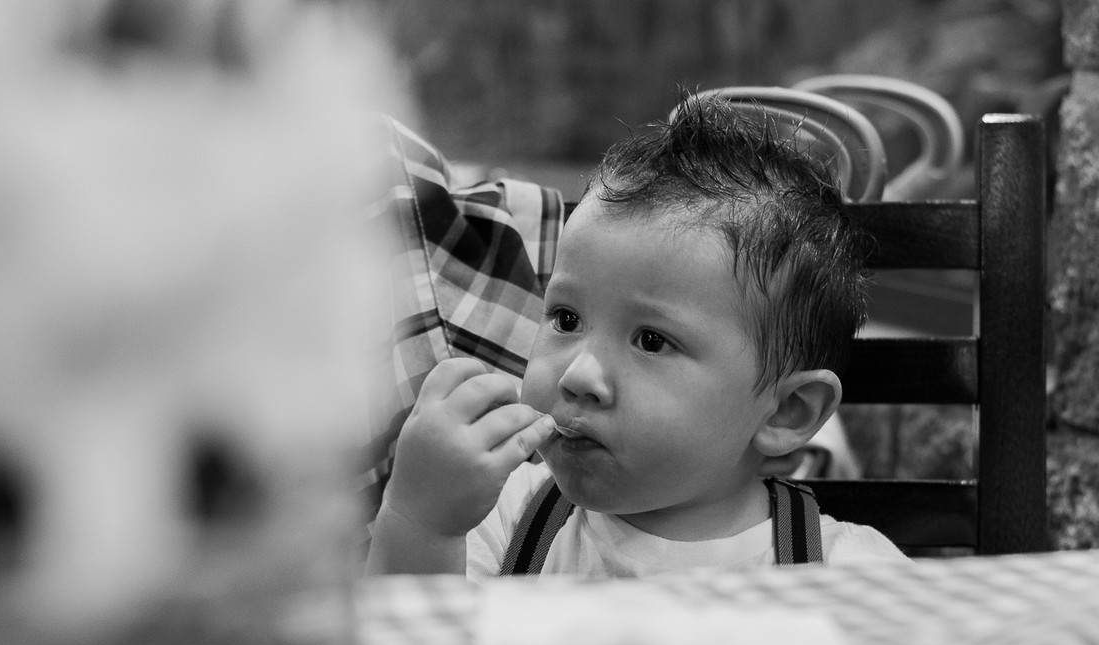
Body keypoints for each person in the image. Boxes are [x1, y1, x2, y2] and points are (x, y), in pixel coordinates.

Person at [366, 93, 909, 577]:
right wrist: (421, 523)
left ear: (786, 411)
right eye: (566, 319)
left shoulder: (845, 575)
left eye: (651, 341)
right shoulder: (502, 520)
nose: (579, 376)